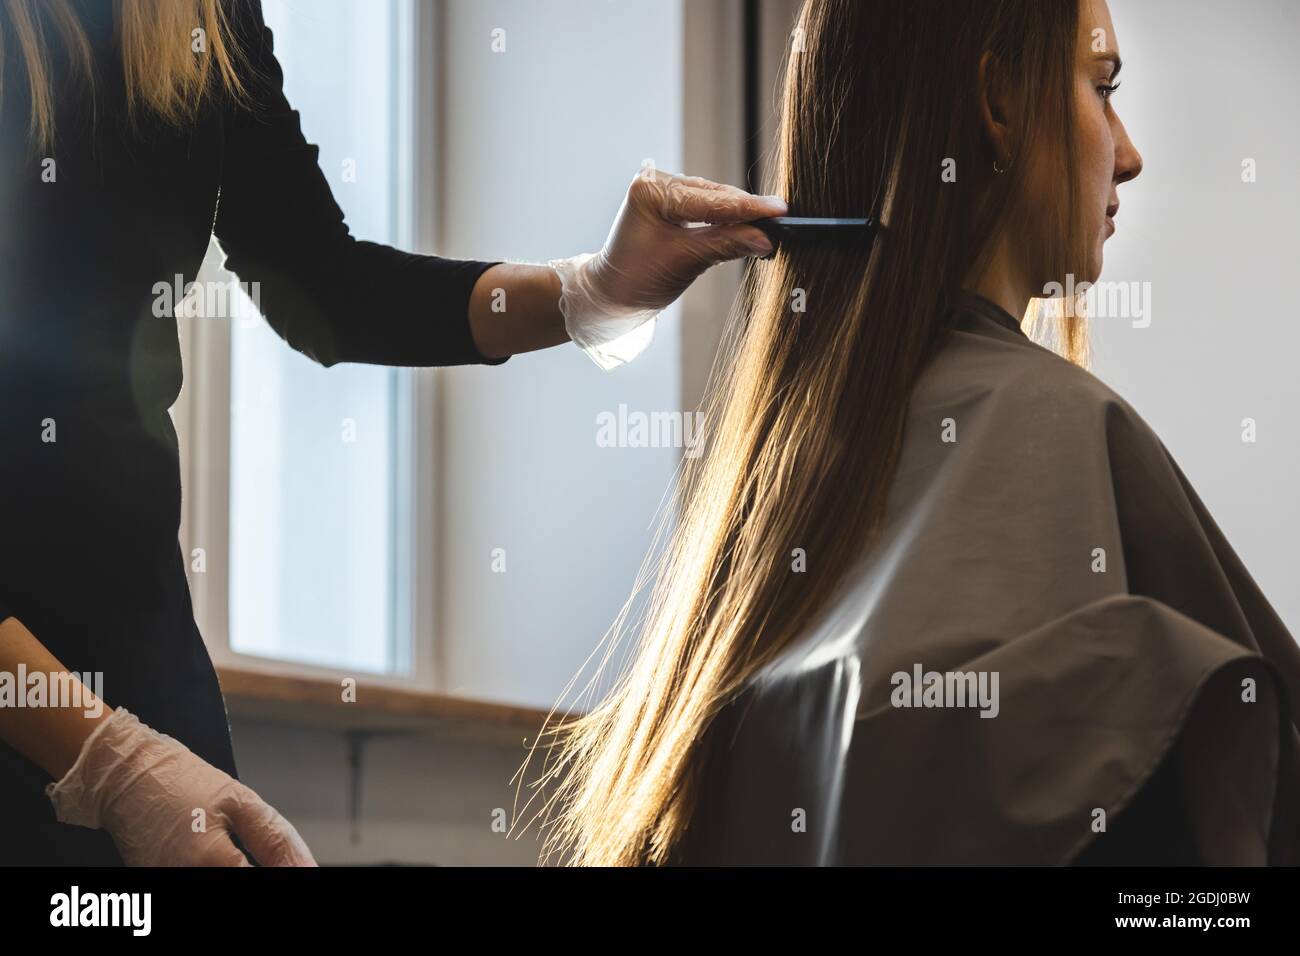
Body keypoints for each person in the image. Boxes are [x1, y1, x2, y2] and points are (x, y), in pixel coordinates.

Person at [0, 0, 785, 865]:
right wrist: (104, 762)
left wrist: (587, 292)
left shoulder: (205, 15)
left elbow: (322, 290)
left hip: (137, 639)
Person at [534, 0, 1300, 866]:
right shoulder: (1063, 425)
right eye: (1101, 88)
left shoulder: (770, 491)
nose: (1128, 153)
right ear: (999, 101)